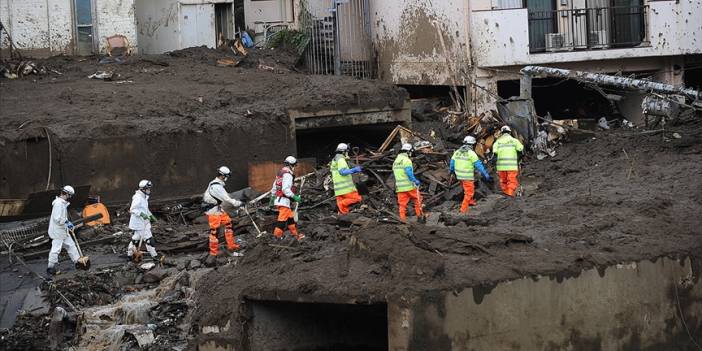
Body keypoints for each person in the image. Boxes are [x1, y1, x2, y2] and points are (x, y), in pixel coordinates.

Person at [203, 166, 243, 258]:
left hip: (217, 208)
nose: (227, 178)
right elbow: (226, 198)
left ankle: (231, 245)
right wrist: (238, 203)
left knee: (228, 223)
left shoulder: (215, 183)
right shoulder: (217, 186)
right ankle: (213, 253)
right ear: (223, 176)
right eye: (227, 176)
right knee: (214, 231)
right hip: (212, 210)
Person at [450, 136, 492, 213]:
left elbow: (452, 163)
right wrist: (486, 175)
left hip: (459, 176)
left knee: (467, 189)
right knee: (469, 192)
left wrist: (452, 172)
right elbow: (479, 166)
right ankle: (463, 209)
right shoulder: (471, 153)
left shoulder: (457, 152)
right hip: (467, 176)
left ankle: (470, 201)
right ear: (471, 145)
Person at [47, 186, 81, 276]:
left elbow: (62, 218)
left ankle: (78, 262)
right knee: (56, 249)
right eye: (69, 195)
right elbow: (57, 218)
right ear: (66, 194)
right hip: (58, 232)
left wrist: (68, 223)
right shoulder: (58, 204)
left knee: (71, 245)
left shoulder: (62, 203)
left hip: (63, 231)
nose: (70, 197)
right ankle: (50, 268)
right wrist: (67, 222)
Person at [127, 180, 163, 263]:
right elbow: (133, 209)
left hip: (144, 222)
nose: (149, 191)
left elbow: (145, 209)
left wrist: (151, 216)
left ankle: (129, 255)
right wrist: (142, 214)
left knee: (135, 239)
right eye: (148, 189)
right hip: (139, 223)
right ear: (143, 189)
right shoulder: (138, 198)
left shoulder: (144, 197)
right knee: (149, 239)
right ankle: (155, 256)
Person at [270, 156, 305, 240]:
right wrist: (295, 197)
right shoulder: (288, 175)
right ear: (291, 165)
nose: (294, 168)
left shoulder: (280, 173)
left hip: (280, 200)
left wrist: (272, 197)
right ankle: (276, 237)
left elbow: (275, 186)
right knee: (281, 221)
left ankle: (296, 236)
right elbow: (285, 189)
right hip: (283, 201)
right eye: (294, 166)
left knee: (290, 220)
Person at [393, 143, 425, 223]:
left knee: (402, 204)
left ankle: (402, 220)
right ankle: (419, 217)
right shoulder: (406, 160)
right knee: (418, 199)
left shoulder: (396, 161)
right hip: (409, 186)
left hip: (399, 187)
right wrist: (415, 180)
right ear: (408, 151)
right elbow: (409, 173)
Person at [330, 143, 363, 215]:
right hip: (346, 189)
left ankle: (344, 219)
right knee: (357, 198)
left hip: (338, 189)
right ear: (344, 151)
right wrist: (354, 170)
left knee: (343, 210)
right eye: (347, 152)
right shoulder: (341, 160)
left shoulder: (335, 160)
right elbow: (342, 172)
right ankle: (341, 205)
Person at [492, 125, 524, 197]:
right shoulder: (514, 140)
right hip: (511, 165)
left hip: (501, 166)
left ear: (502, 133)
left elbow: (494, 152)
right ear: (509, 132)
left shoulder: (497, 142)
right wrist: (519, 158)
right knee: (511, 180)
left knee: (503, 181)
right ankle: (509, 194)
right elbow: (521, 149)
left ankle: (506, 193)